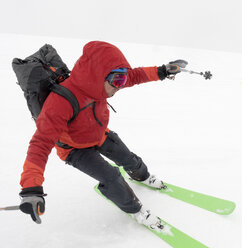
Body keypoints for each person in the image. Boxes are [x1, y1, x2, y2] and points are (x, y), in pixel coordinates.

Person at [18, 41, 185, 230]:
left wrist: (163, 70)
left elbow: (135, 75)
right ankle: (135, 210)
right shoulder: (60, 101)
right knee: (112, 177)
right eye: (116, 81)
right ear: (97, 75)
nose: (119, 86)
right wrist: (31, 188)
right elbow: (40, 144)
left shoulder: (106, 81)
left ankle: (142, 177)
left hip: (98, 134)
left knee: (129, 159)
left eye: (121, 80)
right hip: (74, 149)